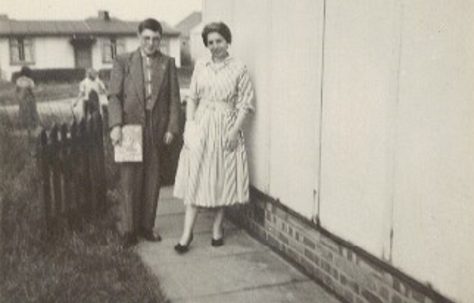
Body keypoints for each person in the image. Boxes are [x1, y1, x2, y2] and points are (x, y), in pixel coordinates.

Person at [173, 22, 255, 253]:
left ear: (227, 41)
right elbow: (192, 98)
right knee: (195, 175)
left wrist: (233, 131)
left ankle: (217, 228)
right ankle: (186, 234)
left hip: (225, 126)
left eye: (219, 41)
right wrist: (189, 125)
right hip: (201, 124)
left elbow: (246, 104)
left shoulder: (239, 68)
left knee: (221, 176)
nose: (215, 46)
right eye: (210, 42)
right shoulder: (201, 65)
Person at [108, 18, 181, 247]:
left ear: (160, 39)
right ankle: (129, 230)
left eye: (156, 39)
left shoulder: (167, 63)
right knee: (129, 178)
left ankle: (146, 226)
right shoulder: (123, 61)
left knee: (152, 177)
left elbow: (174, 100)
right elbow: (114, 96)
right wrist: (116, 125)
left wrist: (171, 127)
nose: (151, 43)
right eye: (147, 38)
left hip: (156, 128)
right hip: (130, 127)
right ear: (139, 37)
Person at [16, 66, 39, 135]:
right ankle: (32, 128)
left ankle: (23, 128)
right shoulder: (30, 81)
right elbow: (32, 91)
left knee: (22, 113)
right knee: (32, 112)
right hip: (30, 99)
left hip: (22, 99)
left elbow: (17, 90)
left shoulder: (18, 80)